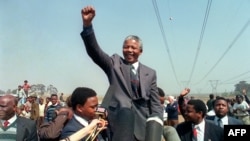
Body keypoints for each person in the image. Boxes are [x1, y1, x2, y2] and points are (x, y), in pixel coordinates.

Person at [80, 5, 163, 141]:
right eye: (126, 47)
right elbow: (95, 52)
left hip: (142, 128)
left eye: (133, 47)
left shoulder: (150, 73)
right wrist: (87, 25)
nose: (129, 50)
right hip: (119, 126)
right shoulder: (114, 63)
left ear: (140, 51)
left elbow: (155, 104)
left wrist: (156, 125)